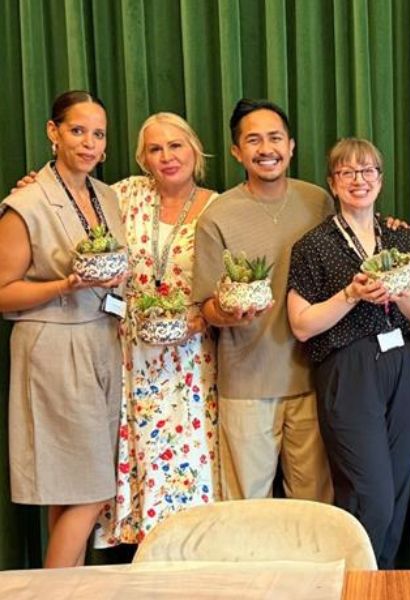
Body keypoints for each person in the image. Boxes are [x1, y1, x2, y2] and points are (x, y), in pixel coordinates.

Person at [287, 138, 410, 569]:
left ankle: (380, 582)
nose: (358, 180)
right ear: (332, 183)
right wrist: (351, 294)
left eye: (367, 171)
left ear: (380, 180)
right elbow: (301, 324)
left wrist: (398, 291)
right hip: (349, 368)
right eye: (347, 172)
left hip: (403, 365)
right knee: (371, 497)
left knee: (398, 493)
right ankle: (356, 582)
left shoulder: (400, 236)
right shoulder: (312, 245)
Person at [0, 90, 126, 567]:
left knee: (72, 490)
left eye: (98, 134)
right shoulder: (26, 203)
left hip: (101, 340)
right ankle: (52, 593)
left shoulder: (107, 196)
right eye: (77, 131)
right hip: (54, 344)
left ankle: (68, 587)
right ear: (53, 132)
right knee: (92, 490)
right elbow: (2, 291)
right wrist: (65, 284)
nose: (89, 143)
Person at [192, 99, 333, 503]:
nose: (266, 149)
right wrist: (229, 313)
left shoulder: (319, 202)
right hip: (246, 384)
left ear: (291, 146)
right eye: (253, 140)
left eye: (275, 138)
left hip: (313, 378)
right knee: (247, 506)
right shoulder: (217, 216)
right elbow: (206, 307)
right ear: (237, 152)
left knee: (314, 506)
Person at [93, 113, 219, 546]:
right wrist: (33, 184)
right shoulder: (125, 195)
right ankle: (144, 548)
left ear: (194, 150)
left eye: (175, 145)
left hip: (193, 355)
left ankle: (191, 552)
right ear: (143, 158)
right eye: (155, 149)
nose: (167, 156)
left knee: (191, 453)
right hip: (133, 353)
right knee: (142, 450)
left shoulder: (219, 206)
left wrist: (199, 319)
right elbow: (74, 202)